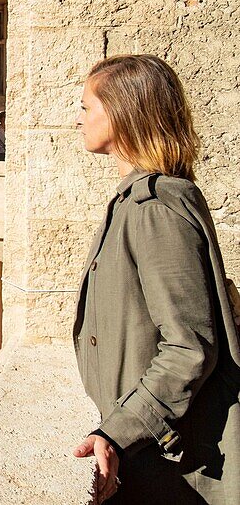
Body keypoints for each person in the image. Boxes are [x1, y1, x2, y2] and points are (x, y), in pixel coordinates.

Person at [71, 54, 239, 503]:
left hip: (164, 461)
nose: (79, 119)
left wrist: (120, 431)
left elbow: (188, 348)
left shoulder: (156, 208)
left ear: (123, 112)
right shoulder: (136, 200)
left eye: (87, 107)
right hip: (146, 446)